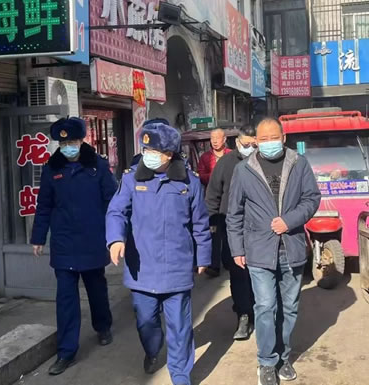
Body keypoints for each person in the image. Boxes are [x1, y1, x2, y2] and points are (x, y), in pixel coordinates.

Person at [106, 122, 211, 385]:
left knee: (180, 327)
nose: (148, 155)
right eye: (146, 150)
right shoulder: (131, 179)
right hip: (142, 268)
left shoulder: (189, 182)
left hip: (177, 267)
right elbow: (117, 211)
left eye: (154, 151)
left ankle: (181, 375)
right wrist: (115, 239)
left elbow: (200, 222)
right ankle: (152, 350)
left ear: (169, 154)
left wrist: (203, 256)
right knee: (146, 321)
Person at [226, 118, 321, 385]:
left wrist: (289, 221)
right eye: (263, 139)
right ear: (256, 141)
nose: (269, 143)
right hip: (258, 249)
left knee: (289, 307)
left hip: (291, 247)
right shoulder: (244, 169)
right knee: (266, 306)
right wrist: (236, 248)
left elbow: (312, 198)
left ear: (283, 137)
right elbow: (234, 212)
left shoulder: (299, 164)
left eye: (273, 138)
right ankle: (267, 362)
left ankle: (283, 357)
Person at [30, 117, 117, 376]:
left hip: (92, 240)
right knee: (66, 299)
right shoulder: (52, 168)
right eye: (63, 143)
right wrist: (38, 237)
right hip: (64, 242)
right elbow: (44, 205)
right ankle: (66, 351)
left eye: (72, 142)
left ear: (82, 141)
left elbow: (112, 203)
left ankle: (103, 326)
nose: (68, 147)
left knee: (96, 289)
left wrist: (115, 236)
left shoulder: (98, 166)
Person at [206, 124, 257, 340]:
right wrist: (212, 223)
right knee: (238, 274)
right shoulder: (226, 163)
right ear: (237, 142)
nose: (250, 148)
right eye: (246, 144)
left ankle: (263, 312)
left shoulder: (264, 161)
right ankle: (244, 315)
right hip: (232, 228)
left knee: (260, 273)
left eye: (254, 144)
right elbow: (213, 195)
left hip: (261, 229)